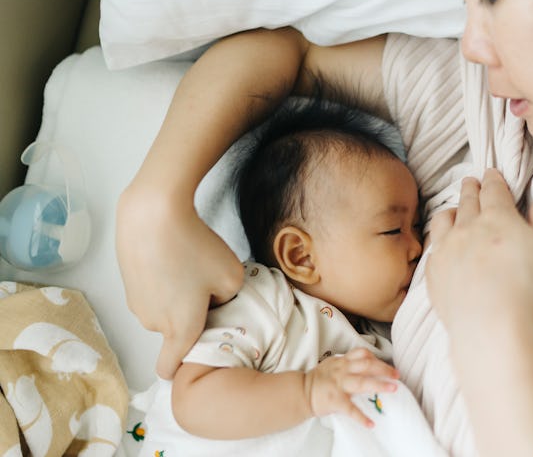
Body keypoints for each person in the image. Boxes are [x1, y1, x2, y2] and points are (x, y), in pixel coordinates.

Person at [116, 0, 533, 455]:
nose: (470, 42)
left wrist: (494, 330)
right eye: (463, 0)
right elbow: (283, 54)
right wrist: (155, 200)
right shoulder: (484, 108)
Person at [136, 98, 446, 456]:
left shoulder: (388, 336)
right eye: (393, 230)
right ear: (301, 256)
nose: (417, 248)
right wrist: (307, 391)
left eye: (418, 226)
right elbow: (194, 399)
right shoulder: (262, 300)